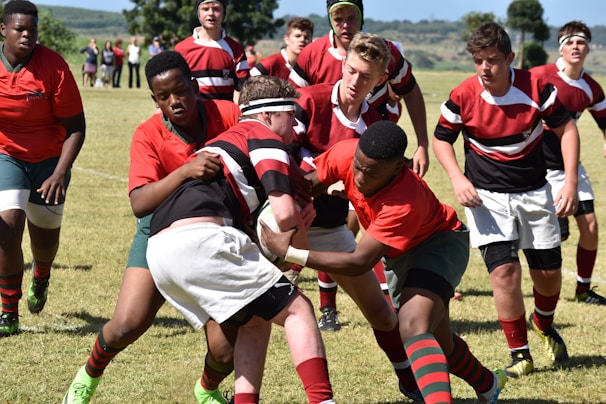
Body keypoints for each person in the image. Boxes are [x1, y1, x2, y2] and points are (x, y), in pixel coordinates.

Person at [261, 121, 508, 404]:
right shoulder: (347, 152)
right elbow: (310, 184)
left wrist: (291, 252)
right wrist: (287, 209)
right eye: (357, 167)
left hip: (439, 245)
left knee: (413, 326)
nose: (360, 176)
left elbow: (360, 261)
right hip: (400, 255)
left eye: (372, 172)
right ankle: (488, 384)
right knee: (439, 343)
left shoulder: (404, 200)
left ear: (397, 167)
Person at [63, 51, 241, 404]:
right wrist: (185, 171)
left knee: (225, 351)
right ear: (154, 99)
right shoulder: (147, 133)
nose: (174, 101)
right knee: (127, 324)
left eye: (181, 91)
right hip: (160, 229)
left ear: (195, 86)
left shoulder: (229, 114)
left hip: (221, 230)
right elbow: (139, 203)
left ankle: (206, 388)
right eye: (164, 97)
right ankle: (89, 374)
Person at [146, 75, 334, 404]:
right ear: (266, 115)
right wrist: (295, 256)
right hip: (201, 240)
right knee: (299, 310)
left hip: (161, 250)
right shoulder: (264, 136)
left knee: (255, 322)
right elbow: (285, 214)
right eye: (290, 114)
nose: (294, 124)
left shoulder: (226, 138)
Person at [432, 22, 580, 378]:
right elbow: (441, 139)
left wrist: (571, 181)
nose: (485, 68)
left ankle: (542, 323)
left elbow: (568, 130)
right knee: (504, 272)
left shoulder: (536, 88)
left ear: (510, 58)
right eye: (478, 60)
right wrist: (457, 176)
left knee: (547, 276)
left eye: (493, 60)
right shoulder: (463, 94)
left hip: (534, 193)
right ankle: (520, 354)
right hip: (487, 200)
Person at [286, 32, 422, 401]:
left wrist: (359, 189)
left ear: (380, 80)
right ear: (343, 65)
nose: (354, 81)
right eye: (351, 71)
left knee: (380, 311)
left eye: (365, 76)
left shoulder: (375, 124)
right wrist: (316, 178)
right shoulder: (310, 100)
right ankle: (225, 387)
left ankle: (409, 381)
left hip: (329, 226)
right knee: (258, 312)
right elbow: (278, 150)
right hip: (286, 222)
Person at [0, 0, 85, 337]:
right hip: (7, 155)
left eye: (32, 30)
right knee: (7, 229)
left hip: (51, 162)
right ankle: (9, 313)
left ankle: (42, 273)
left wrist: (60, 173)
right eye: (19, 29)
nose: (26, 35)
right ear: (3, 30)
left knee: (45, 242)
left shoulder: (54, 66)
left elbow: (77, 127)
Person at [530, 21, 606, 306]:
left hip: (568, 165)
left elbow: (604, 120)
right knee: (544, 233)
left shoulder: (591, 88)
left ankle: (583, 290)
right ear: (560, 48)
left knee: (590, 225)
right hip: (536, 165)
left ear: (588, 48)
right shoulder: (539, 75)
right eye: (570, 42)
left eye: (581, 42)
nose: (576, 47)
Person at [175, 0, 249, 103]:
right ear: (198, 13)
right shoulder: (181, 49)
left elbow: (241, 89)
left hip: (225, 116)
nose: (210, 13)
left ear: (224, 14)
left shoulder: (236, 50)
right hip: (194, 116)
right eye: (205, 9)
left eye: (216, 9)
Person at [250, 16, 314, 81]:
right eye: (297, 36)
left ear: (311, 42)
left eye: (306, 37)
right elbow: (245, 86)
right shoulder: (270, 64)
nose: (302, 40)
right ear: (286, 39)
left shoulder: (311, 69)